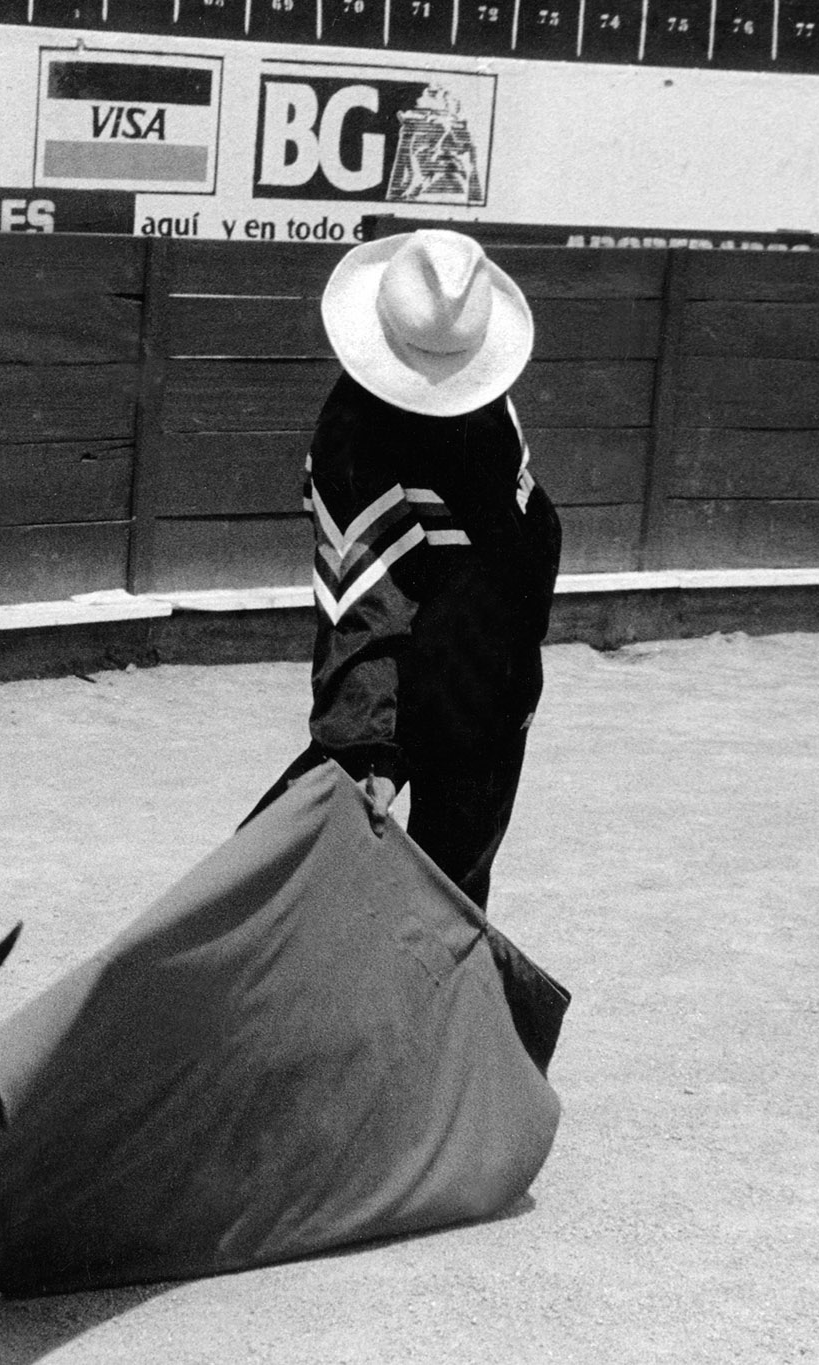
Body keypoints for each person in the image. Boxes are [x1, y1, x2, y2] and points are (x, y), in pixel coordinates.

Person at [245, 229, 561, 911]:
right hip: (494, 674)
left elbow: (368, 606)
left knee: (270, 876)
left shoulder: (352, 438)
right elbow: (539, 542)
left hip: (456, 676)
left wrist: (365, 753)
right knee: (448, 902)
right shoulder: (493, 404)